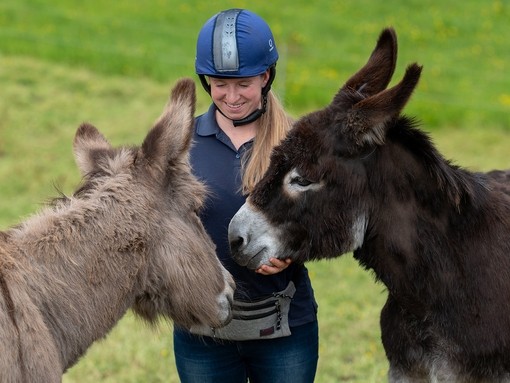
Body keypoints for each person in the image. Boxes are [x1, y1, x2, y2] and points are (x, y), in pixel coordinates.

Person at [172, 9, 319, 383]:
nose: (232, 96)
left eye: (244, 84)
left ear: (265, 76)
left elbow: (323, 220)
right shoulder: (182, 143)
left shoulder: (296, 142)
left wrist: (293, 250)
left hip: (284, 330)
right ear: (205, 81)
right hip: (202, 333)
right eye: (220, 83)